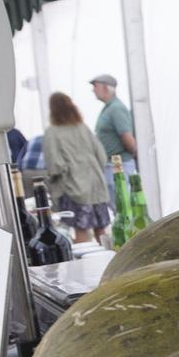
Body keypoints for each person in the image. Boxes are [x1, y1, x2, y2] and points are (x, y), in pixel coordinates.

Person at [42, 92, 112, 245]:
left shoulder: (52, 132)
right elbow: (101, 155)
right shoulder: (82, 127)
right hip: (96, 186)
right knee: (101, 230)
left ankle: (87, 268)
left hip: (73, 188)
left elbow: (54, 166)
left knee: (80, 231)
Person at [90, 74, 137, 203]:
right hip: (112, 167)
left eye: (95, 86)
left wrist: (133, 156)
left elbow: (127, 137)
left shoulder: (116, 109)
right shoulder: (109, 108)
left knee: (122, 205)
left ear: (106, 88)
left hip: (119, 166)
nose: (93, 90)